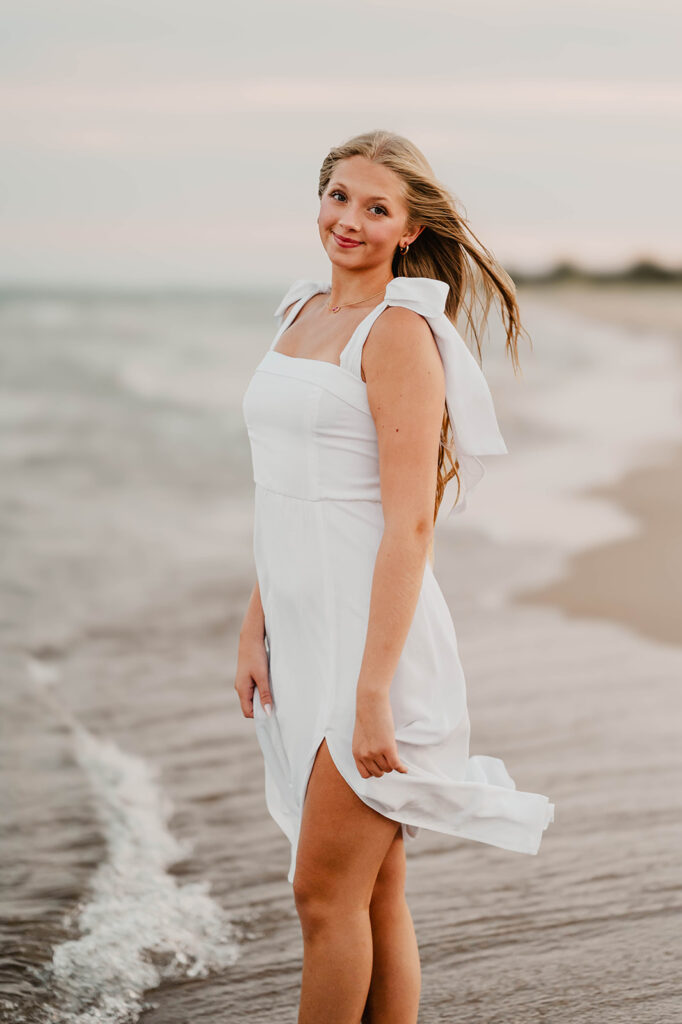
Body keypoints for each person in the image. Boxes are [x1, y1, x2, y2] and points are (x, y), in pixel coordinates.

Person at [236, 129, 555, 1024]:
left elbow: (409, 522)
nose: (351, 220)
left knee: (320, 898)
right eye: (340, 196)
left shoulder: (400, 334)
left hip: (373, 646)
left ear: (409, 230)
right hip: (300, 632)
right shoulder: (300, 312)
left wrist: (373, 692)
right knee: (372, 893)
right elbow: (284, 492)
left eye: (377, 208)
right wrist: (255, 624)